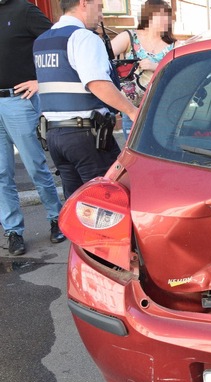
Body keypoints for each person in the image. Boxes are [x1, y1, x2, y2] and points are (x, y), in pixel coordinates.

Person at [33, 0, 138, 200]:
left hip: (55, 136)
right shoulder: (83, 37)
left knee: (77, 204)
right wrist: (132, 111)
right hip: (86, 136)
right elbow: (97, 83)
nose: (101, 15)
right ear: (83, 3)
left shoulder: (43, 41)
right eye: (99, 7)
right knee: (107, 200)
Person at [0, 0, 66, 256]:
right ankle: (13, 230)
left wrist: (41, 80)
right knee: (2, 174)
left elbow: (57, 43)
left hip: (19, 101)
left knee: (35, 167)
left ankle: (55, 218)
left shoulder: (24, 10)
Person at [111, 0, 176, 139]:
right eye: (162, 16)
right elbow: (101, 57)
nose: (167, 20)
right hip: (133, 108)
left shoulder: (173, 45)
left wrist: (155, 67)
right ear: (149, 16)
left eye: (168, 17)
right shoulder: (130, 37)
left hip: (162, 108)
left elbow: (178, 74)